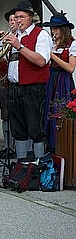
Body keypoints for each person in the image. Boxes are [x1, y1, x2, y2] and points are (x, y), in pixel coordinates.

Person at [3, 0, 53, 160]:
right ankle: (21, 165)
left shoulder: (41, 34)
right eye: (16, 17)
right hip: (14, 88)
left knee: (34, 128)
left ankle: (38, 166)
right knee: (18, 129)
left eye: (22, 17)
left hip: (33, 88)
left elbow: (41, 61)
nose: (18, 20)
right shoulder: (15, 36)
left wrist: (19, 46)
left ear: (31, 17)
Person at [41, 13, 75, 152]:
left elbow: (70, 68)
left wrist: (52, 56)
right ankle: (49, 148)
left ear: (63, 29)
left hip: (63, 81)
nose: (53, 31)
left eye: (56, 28)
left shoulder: (72, 44)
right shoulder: (52, 43)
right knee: (48, 111)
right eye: (52, 29)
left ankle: (61, 146)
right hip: (50, 79)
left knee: (59, 110)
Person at [0, 11, 17, 159]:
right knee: (5, 113)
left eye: (15, 20)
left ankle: (18, 147)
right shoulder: (5, 38)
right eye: (10, 20)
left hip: (16, 80)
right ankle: (8, 146)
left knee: (18, 114)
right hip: (4, 80)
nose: (12, 23)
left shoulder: (21, 38)